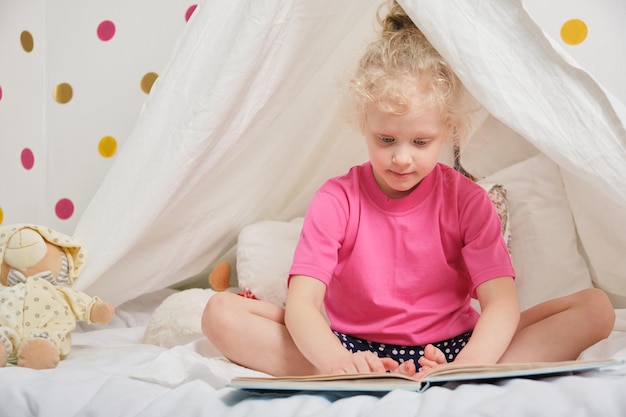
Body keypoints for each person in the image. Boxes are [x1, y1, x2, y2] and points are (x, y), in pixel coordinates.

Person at [201, 1, 615, 377]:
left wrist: (470, 361)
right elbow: (303, 304)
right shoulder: (336, 198)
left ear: (447, 130)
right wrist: (338, 362)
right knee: (220, 312)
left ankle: (464, 375)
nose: (402, 158)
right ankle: (358, 376)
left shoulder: (467, 201)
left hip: (456, 351)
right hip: (350, 349)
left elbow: (501, 302)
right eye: (386, 140)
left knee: (595, 308)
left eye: (420, 142)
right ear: (364, 124)